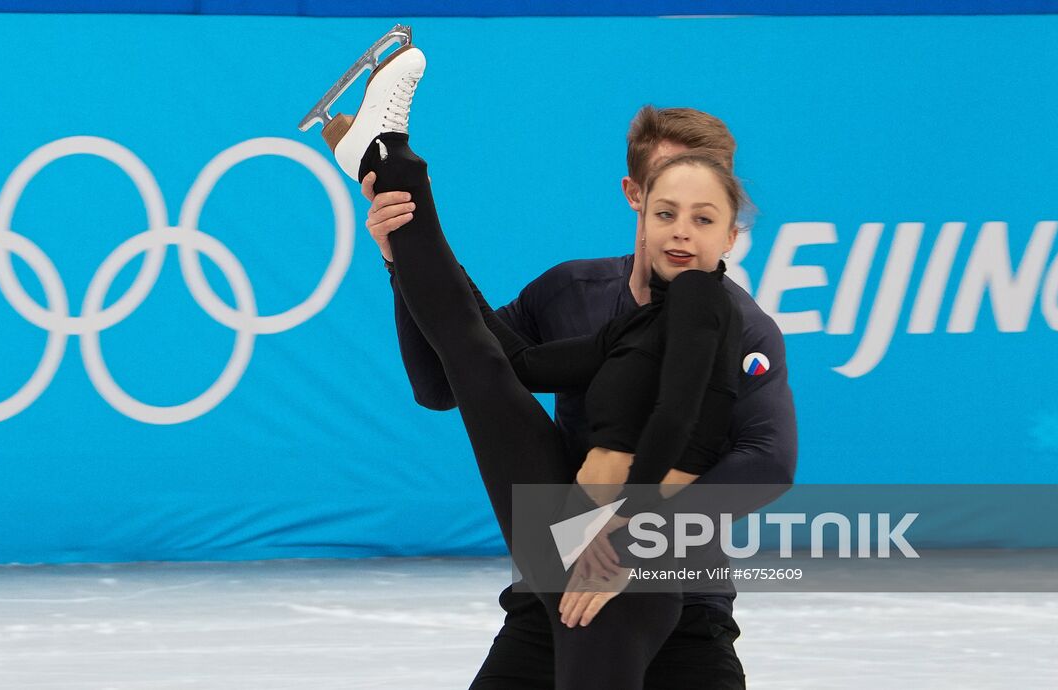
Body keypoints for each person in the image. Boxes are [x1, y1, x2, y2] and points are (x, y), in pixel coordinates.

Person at [315, 42, 792, 688]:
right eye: (669, 200)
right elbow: (454, 377)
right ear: (638, 199)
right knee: (479, 363)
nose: (685, 222)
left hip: (678, 604)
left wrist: (630, 539)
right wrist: (403, 257)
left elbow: (766, 461)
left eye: (707, 203)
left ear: (730, 222)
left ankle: (387, 158)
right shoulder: (578, 298)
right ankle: (384, 160)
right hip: (558, 578)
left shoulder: (734, 323)